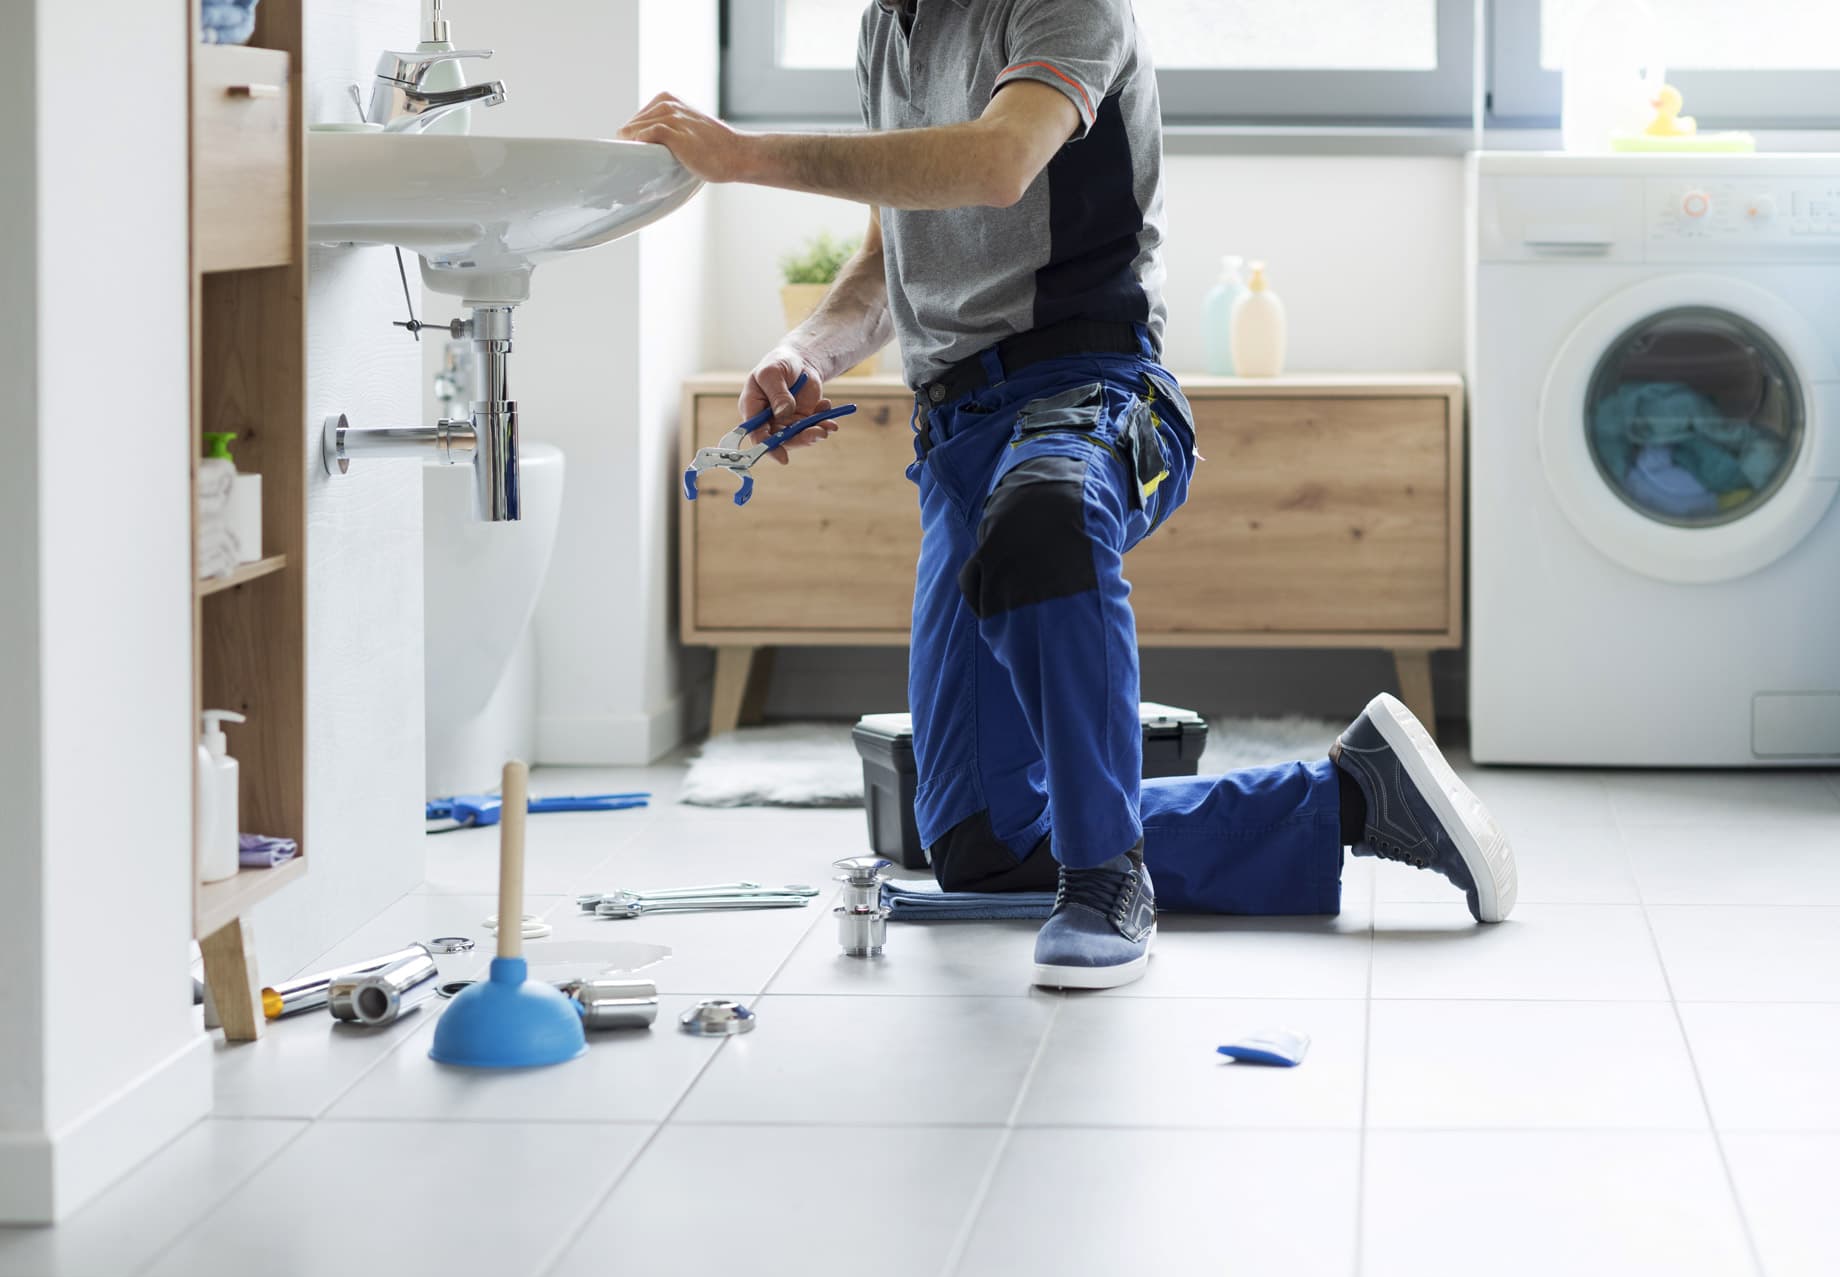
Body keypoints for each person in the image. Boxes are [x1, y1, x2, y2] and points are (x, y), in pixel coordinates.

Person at [620, 0, 1517, 990]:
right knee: (980, 839)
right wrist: (807, 349)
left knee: (1046, 519)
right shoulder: (888, 28)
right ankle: (1354, 800)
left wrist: (745, 157)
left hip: (1093, 388)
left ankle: (1105, 879)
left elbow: (998, 161)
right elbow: (893, 247)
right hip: (954, 439)